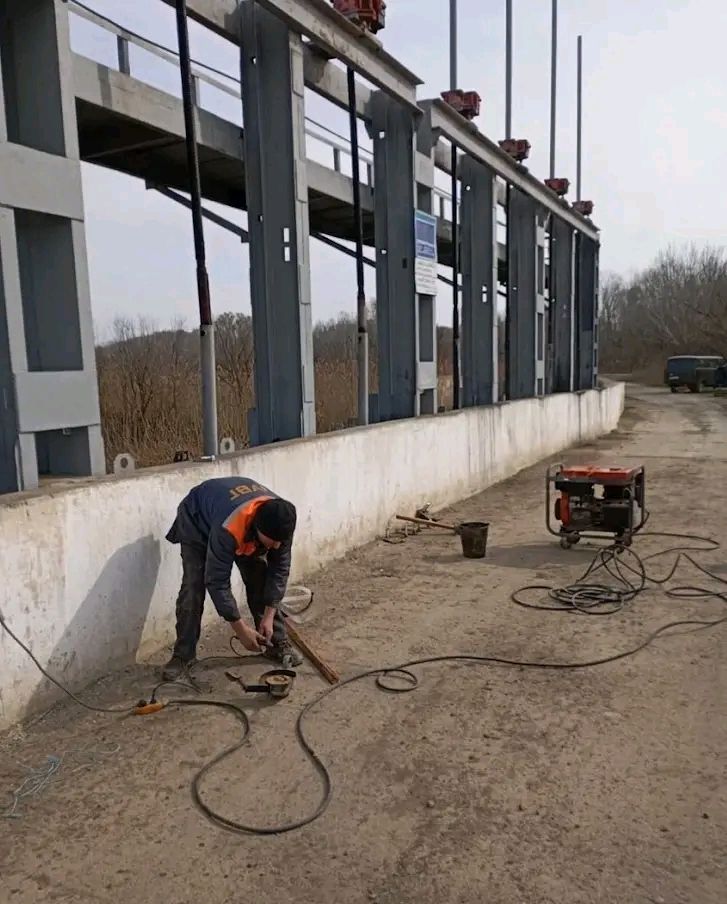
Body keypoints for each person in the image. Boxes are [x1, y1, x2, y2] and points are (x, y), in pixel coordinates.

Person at [162, 476, 303, 680]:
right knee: (194, 586)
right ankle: (182, 655)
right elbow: (217, 581)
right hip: (198, 520)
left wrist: (269, 615)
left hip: (232, 515)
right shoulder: (228, 530)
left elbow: (279, 571)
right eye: (273, 541)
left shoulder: (282, 521)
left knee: (259, 577)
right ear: (258, 529)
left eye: (281, 542)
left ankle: (276, 643)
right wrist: (240, 629)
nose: (277, 547)